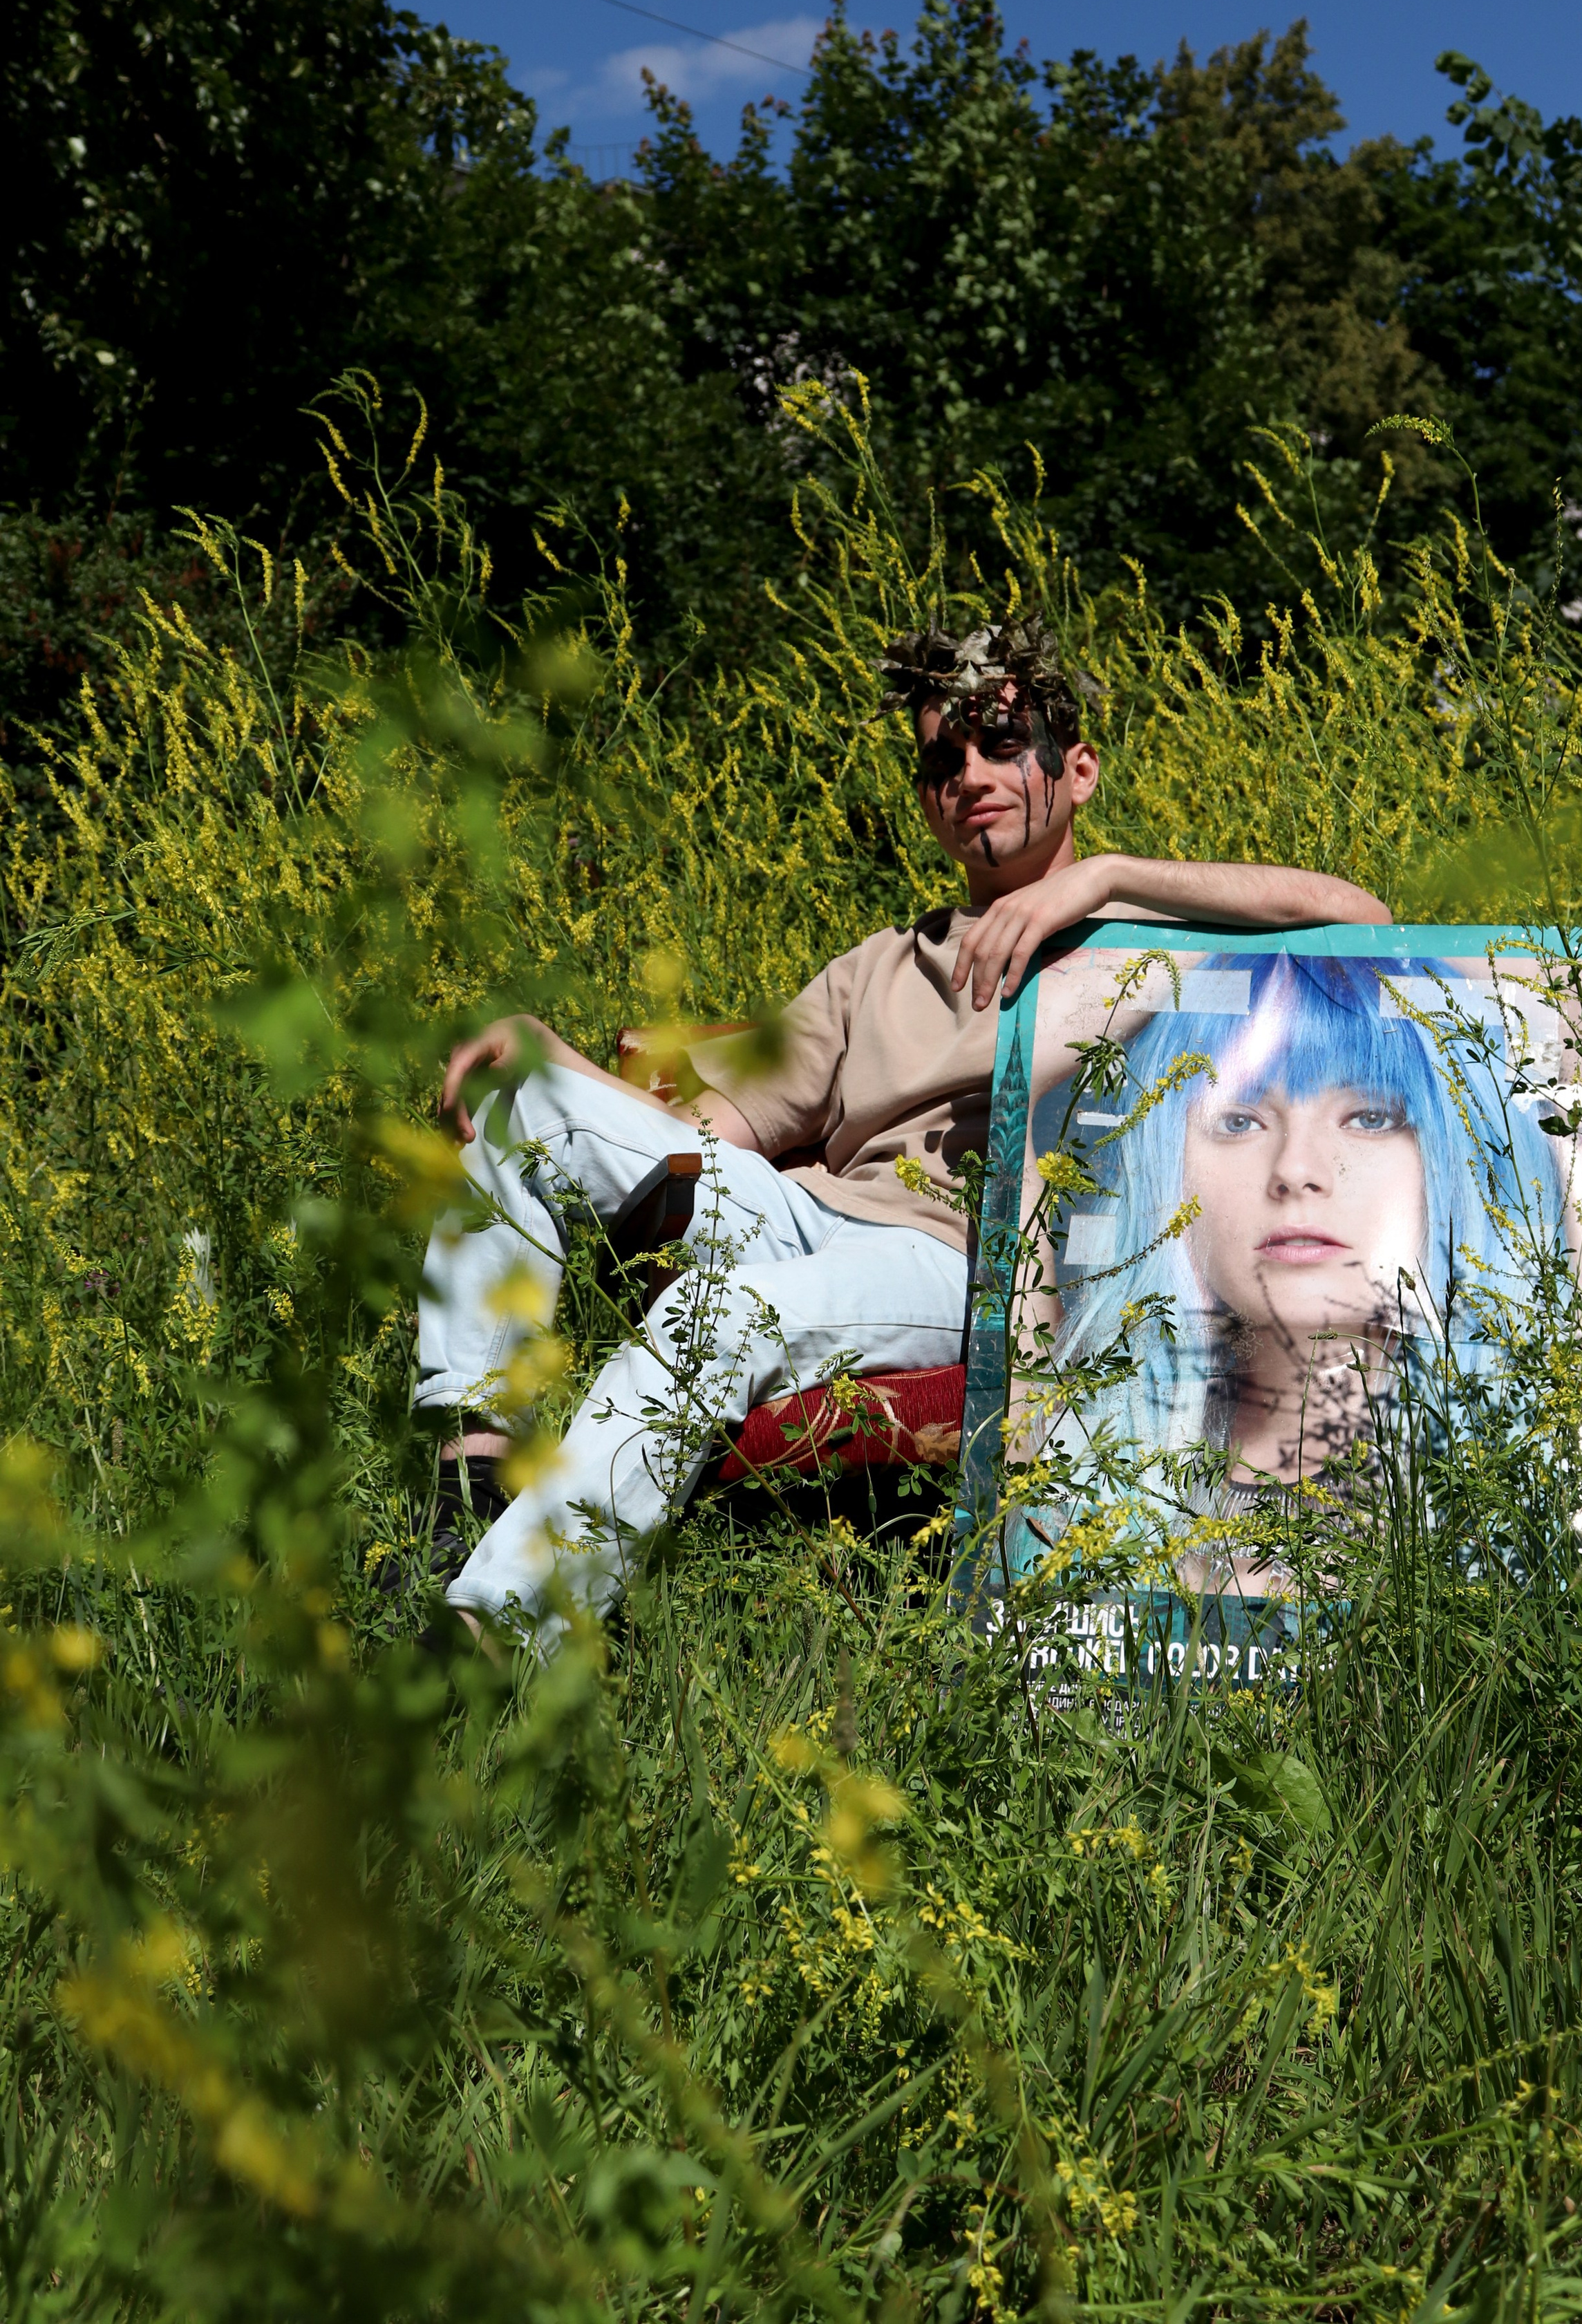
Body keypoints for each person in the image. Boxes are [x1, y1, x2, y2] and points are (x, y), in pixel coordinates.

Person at [415, 619, 1390, 1646]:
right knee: (521, 1103)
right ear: (928, 799)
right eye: (943, 761)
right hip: (807, 1218)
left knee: (720, 1313)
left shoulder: (1152, 947)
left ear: (1078, 770)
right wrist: (556, 1059)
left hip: (965, 1261)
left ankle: (500, 1632)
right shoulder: (879, 966)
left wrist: (1101, 881)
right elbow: (700, 1141)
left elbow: (1361, 919)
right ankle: (473, 1469)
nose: (971, 775)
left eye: (1002, 745)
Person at [1044, 950, 1572, 1562]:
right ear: (1165, 1166)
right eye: (1238, 1121)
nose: (1296, 1170)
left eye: (1370, 1117)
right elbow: (1013, 1041)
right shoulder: (1082, 1450)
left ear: (1456, 1157)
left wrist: (1361, 940)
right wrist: (1203, 954)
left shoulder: (1537, 1459)